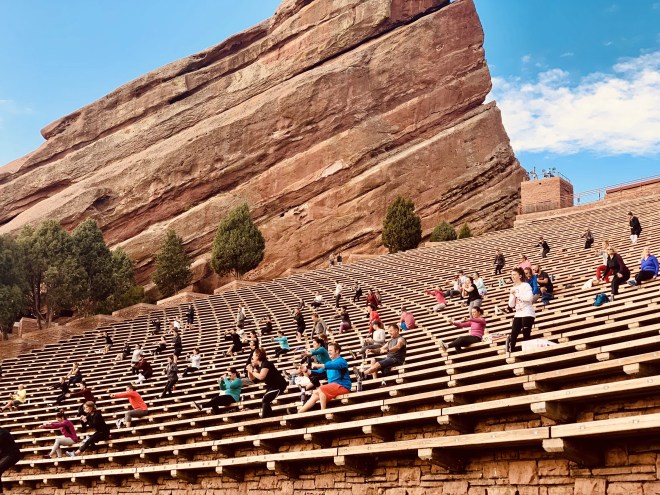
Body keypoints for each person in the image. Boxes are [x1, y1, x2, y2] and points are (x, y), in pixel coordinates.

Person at [296, 343, 351, 413]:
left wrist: (318, 365)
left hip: (342, 386)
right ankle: (299, 412)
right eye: (328, 350)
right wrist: (306, 370)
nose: (328, 352)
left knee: (321, 389)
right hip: (333, 387)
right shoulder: (329, 363)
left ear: (337, 351)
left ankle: (323, 412)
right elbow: (319, 372)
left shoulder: (342, 361)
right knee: (315, 395)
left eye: (330, 350)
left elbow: (333, 365)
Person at [246, 349, 288, 418]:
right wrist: (249, 370)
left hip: (279, 385)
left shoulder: (266, 364)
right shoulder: (258, 366)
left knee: (265, 399)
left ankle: (264, 417)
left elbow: (262, 377)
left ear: (258, 356)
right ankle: (270, 416)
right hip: (272, 385)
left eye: (253, 355)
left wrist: (252, 370)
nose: (252, 357)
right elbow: (252, 379)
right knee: (265, 399)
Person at [506, 267, 535, 352]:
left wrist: (517, 294)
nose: (512, 276)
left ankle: (526, 352)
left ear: (520, 276)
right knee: (514, 333)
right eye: (511, 275)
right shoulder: (513, 287)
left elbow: (530, 298)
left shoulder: (525, 285)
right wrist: (513, 295)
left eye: (514, 274)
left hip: (527, 312)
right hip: (518, 313)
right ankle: (512, 351)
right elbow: (511, 304)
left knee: (526, 333)